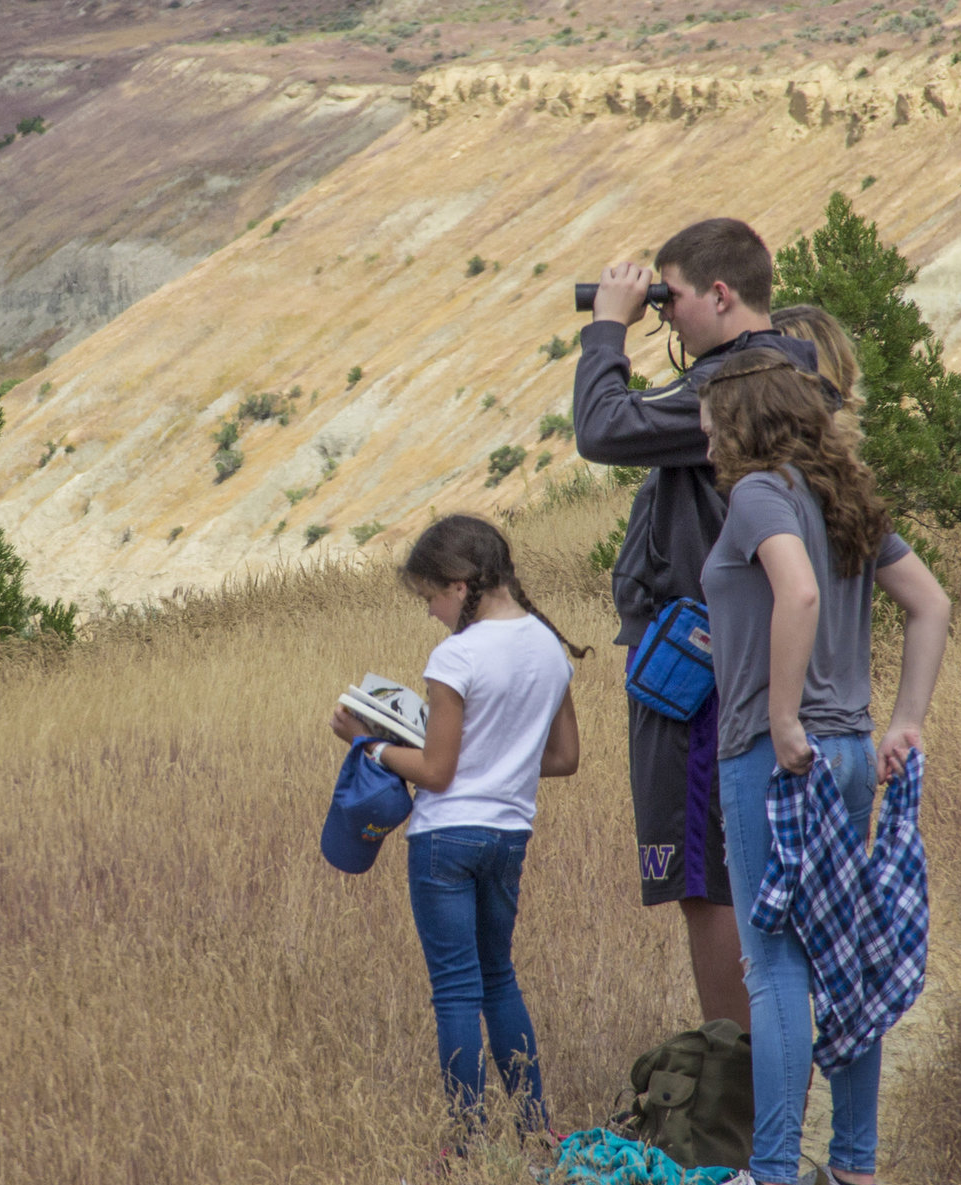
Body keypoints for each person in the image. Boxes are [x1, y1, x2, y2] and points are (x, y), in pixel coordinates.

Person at [671, 350, 951, 1185]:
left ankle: (774, 1182)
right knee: (848, 954)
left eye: (710, 416)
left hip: (776, 755)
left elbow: (793, 592)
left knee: (776, 960)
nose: (702, 432)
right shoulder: (845, 498)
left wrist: (782, 715)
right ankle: (858, 1174)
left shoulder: (759, 492)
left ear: (744, 419)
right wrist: (904, 719)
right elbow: (931, 603)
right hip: (853, 750)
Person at [573, 219, 827, 1029]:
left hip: (701, 667)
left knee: (705, 880)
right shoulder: (775, 375)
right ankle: (761, 1091)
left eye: (671, 299)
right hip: (729, 658)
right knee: (729, 875)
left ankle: (733, 1092)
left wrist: (609, 324)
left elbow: (603, 429)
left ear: (720, 294)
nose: (666, 316)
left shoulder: (738, 389)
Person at [328, 514, 587, 1131]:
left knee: (455, 992)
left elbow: (437, 772)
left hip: (445, 840)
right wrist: (501, 765)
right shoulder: (550, 647)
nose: (431, 612)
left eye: (430, 597)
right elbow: (564, 759)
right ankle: (536, 1126)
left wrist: (369, 744)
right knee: (499, 978)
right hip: (509, 834)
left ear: (460, 582)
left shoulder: (457, 655)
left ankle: (467, 1141)